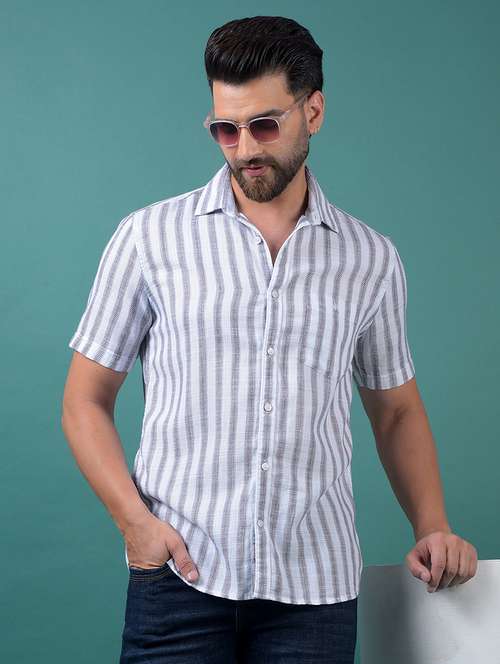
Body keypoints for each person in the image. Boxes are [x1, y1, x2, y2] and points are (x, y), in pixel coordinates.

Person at [61, 14, 478, 664]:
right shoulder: (148, 239)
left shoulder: (370, 259)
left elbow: (395, 410)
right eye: (225, 130)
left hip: (315, 593)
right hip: (178, 579)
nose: (244, 148)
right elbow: (84, 400)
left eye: (264, 124)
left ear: (313, 111)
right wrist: (135, 526)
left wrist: (432, 525)